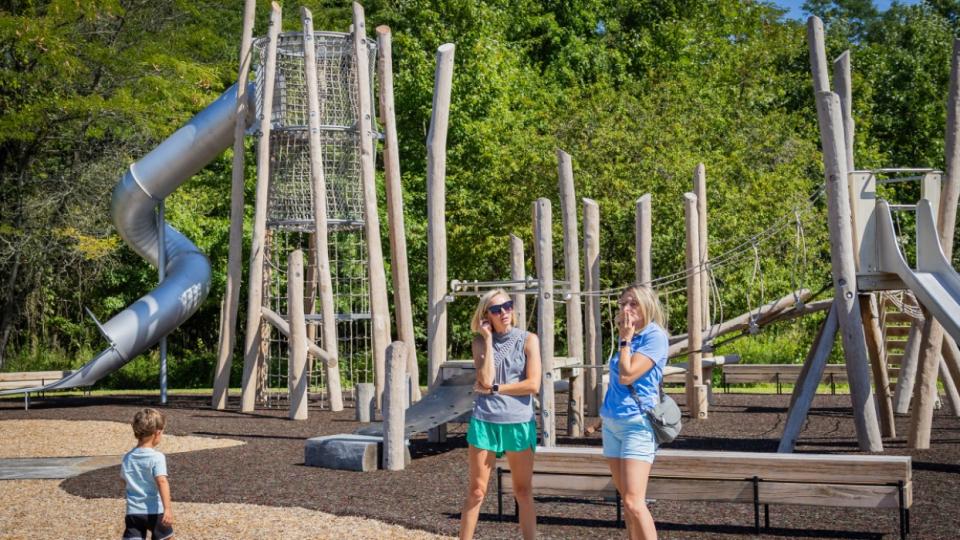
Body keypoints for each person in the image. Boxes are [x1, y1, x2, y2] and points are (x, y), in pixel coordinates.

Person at [459, 288, 541, 540]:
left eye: (507, 305)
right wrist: (487, 339)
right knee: (476, 491)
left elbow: (532, 385)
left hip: (518, 422)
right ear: (487, 315)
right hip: (485, 421)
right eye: (496, 309)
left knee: (523, 491)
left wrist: (496, 389)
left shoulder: (529, 339)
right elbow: (484, 377)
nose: (504, 312)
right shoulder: (479, 342)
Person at [601, 284, 669, 540]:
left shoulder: (654, 336)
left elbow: (628, 375)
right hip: (612, 422)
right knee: (626, 504)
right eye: (622, 304)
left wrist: (625, 340)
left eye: (632, 304)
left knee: (634, 502)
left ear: (646, 306)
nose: (626, 309)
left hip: (636, 424)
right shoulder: (627, 337)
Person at [121, 408, 175, 540]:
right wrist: (167, 508)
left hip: (133, 512)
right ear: (157, 433)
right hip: (155, 511)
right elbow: (162, 481)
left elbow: (124, 480)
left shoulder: (127, 457)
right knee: (167, 538)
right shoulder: (157, 457)